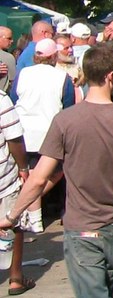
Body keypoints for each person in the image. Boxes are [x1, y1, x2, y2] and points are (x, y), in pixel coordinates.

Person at [0, 43, 113, 298]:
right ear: (111, 76)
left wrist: (12, 216)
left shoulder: (65, 121)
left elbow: (38, 178)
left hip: (81, 230)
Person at [9, 38, 75, 233]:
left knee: (29, 176)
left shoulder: (23, 74)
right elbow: (68, 108)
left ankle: (31, 212)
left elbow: (14, 100)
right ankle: (33, 214)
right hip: (50, 133)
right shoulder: (62, 78)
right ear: (54, 56)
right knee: (52, 173)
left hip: (24, 132)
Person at [0, 79, 34, 294]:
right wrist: (23, 166)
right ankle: (15, 278)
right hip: (4, 177)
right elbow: (14, 138)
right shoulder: (1, 99)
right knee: (13, 223)